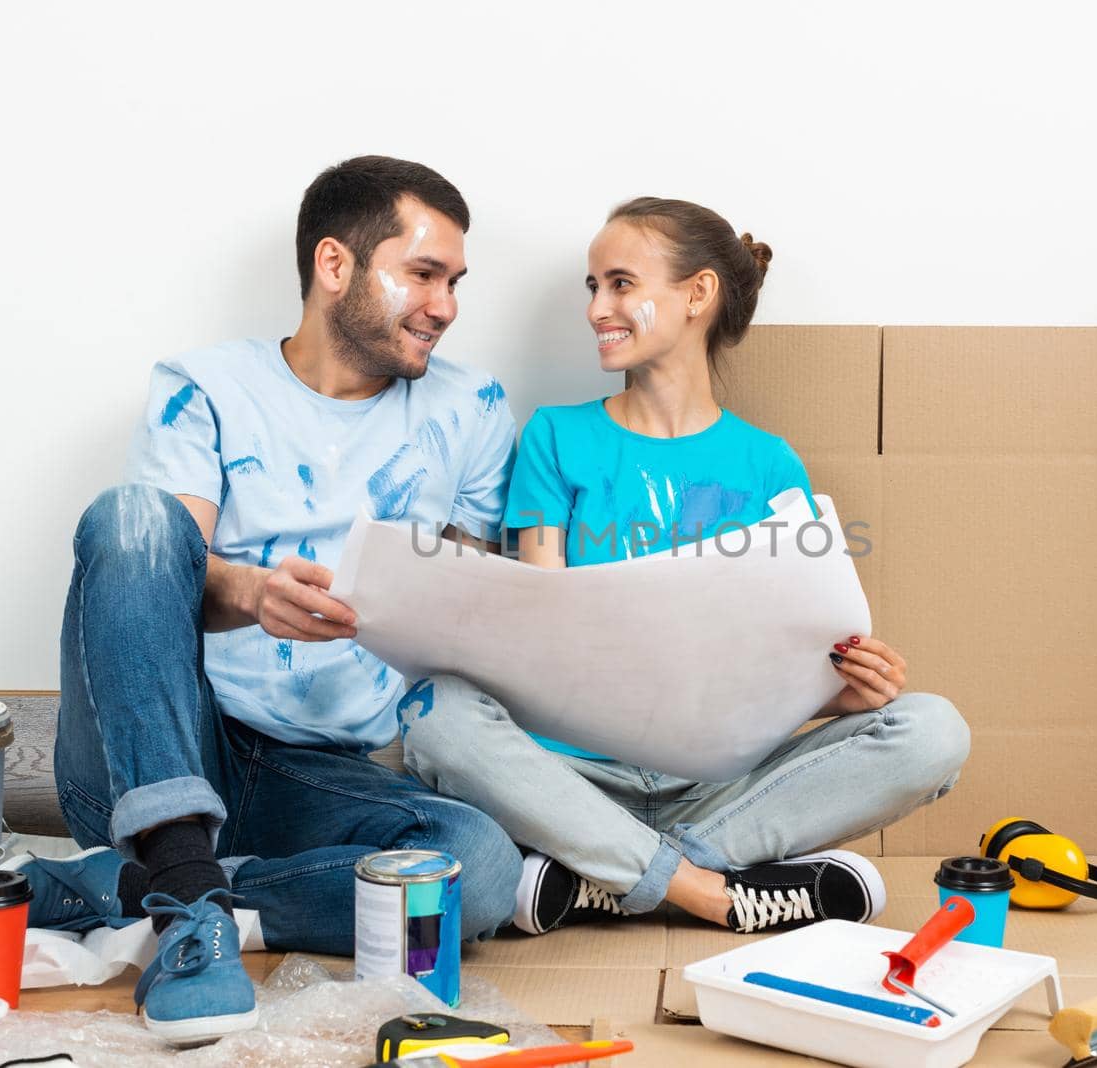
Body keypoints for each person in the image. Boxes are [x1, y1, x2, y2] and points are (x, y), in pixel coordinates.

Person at [19, 157, 523, 1045]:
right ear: (336, 266)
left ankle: (152, 890)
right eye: (422, 274)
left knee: (477, 869)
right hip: (165, 739)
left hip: (311, 777)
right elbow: (154, 571)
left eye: (455, 282)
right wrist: (251, 591)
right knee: (132, 518)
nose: (445, 305)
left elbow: (474, 607)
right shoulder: (205, 385)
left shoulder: (473, 408)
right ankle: (178, 872)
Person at [398, 198, 971, 938]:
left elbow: (788, 671)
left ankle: (610, 877)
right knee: (434, 713)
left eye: (620, 283)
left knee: (932, 730)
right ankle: (711, 890)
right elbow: (536, 641)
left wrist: (850, 691)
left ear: (697, 294)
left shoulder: (770, 465)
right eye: (592, 286)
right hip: (571, 778)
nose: (597, 308)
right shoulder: (556, 437)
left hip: (721, 788)